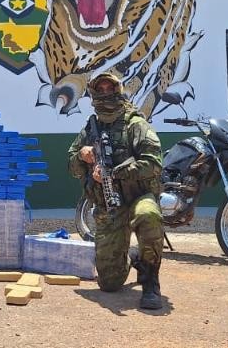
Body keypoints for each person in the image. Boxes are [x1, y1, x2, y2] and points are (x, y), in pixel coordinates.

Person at [67, 72, 166, 309]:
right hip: (110, 206)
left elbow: (154, 163)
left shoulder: (135, 124)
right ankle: (131, 256)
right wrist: (82, 156)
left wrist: (116, 172)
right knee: (109, 284)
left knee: (149, 215)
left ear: (117, 91)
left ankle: (150, 280)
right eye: (99, 90)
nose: (105, 94)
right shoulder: (91, 127)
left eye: (109, 89)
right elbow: (71, 166)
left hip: (137, 196)